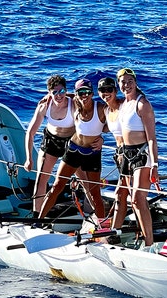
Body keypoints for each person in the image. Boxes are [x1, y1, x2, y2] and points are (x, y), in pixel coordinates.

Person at [39, 79, 107, 219]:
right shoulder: (75, 103)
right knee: (57, 186)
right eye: (81, 92)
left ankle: (103, 227)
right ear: (77, 94)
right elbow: (63, 95)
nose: (85, 96)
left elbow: (114, 122)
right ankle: (38, 220)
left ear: (92, 93)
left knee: (94, 193)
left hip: (92, 154)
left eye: (88, 92)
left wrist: (102, 139)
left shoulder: (100, 108)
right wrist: (48, 96)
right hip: (73, 150)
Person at [24, 75, 86, 218]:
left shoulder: (73, 104)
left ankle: (92, 214)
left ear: (66, 90)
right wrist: (28, 158)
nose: (59, 95)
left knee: (84, 178)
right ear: (49, 93)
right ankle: (37, 216)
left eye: (62, 91)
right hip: (51, 142)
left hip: (70, 142)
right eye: (55, 92)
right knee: (41, 179)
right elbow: (30, 133)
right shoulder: (44, 106)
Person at [117, 68, 159, 246]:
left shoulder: (142, 105)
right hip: (126, 154)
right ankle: (141, 235)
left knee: (137, 199)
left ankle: (150, 243)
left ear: (135, 82)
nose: (126, 85)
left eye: (129, 81)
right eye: (123, 82)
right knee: (128, 199)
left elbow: (151, 138)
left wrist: (155, 164)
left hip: (142, 155)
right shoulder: (124, 104)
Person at [97, 77, 131, 230]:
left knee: (126, 194)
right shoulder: (105, 110)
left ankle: (116, 231)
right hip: (119, 156)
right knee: (123, 194)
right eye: (103, 91)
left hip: (132, 155)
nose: (106, 93)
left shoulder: (124, 105)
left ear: (116, 91)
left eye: (109, 90)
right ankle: (115, 230)